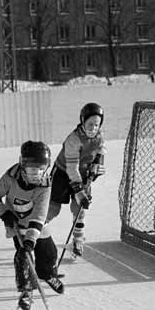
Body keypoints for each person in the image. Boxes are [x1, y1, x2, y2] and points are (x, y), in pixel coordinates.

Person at [0, 140, 63, 310]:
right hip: (16, 223)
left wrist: (31, 240)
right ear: (23, 166)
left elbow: (39, 215)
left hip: (36, 225)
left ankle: (47, 274)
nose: (36, 173)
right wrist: (4, 213)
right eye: (31, 169)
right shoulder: (11, 177)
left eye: (41, 168)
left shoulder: (45, 185)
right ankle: (26, 291)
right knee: (23, 257)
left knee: (49, 252)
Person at [47, 102, 106, 259]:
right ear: (82, 121)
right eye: (90, 124)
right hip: (63, 172)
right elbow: (71, 168)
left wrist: (98, 165)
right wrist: (79, 191)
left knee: (79, 209)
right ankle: (33, 235)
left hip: (83, 172)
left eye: (96, 124)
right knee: (53, 209)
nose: (93, 128)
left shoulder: (99, 135)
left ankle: (77, 240)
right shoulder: (73, 139)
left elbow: (101, 150)